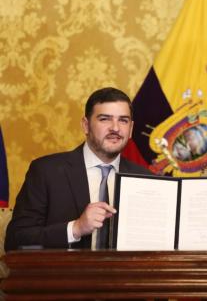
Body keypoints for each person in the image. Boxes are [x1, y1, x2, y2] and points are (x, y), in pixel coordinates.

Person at [5, 87, 151, 251]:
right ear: (86, 125)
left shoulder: (145, 178)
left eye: (123, 120)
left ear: (131, 129)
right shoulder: (46, 171)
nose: (115, 128)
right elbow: (15, 240)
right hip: (65, 275)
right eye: (105, 119)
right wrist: (75, 228)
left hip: (126, 275)